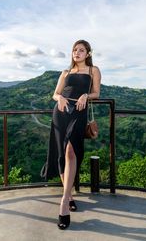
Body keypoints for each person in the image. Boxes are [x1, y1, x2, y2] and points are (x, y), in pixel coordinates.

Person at [41, 40, 101, 229]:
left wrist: (85, 96)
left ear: (88, 54)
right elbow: (55, 93)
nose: (77, 53)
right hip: (61, 111)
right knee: (61, 154)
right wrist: (60, 98)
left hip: (79, 112)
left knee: (71, 152)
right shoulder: (65, 72)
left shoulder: (93, 71)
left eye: (81, 50)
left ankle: (63, 202)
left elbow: (96, 93)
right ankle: (69, 197)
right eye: (75, 50)